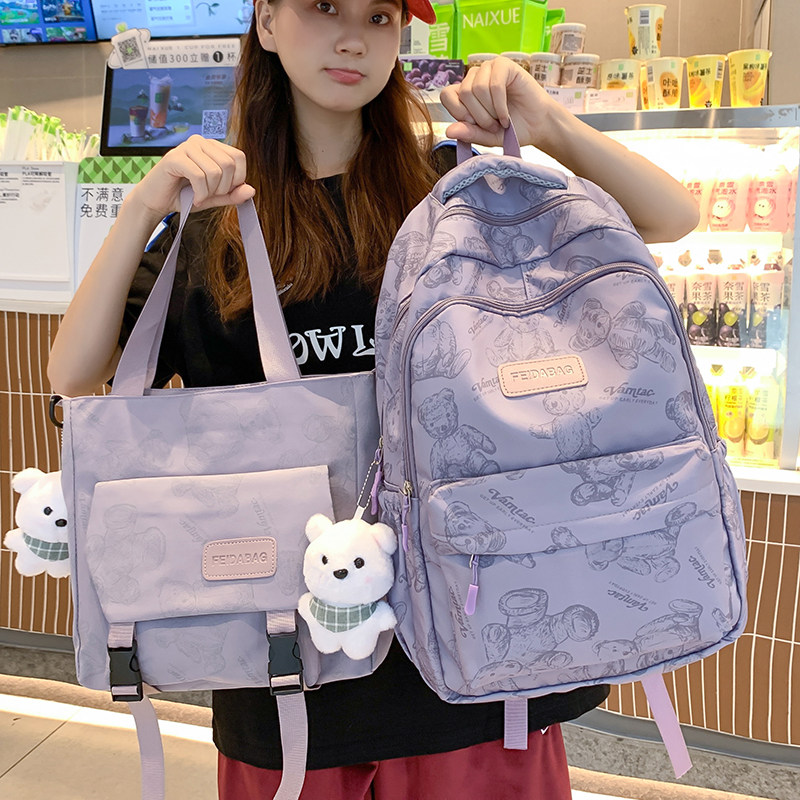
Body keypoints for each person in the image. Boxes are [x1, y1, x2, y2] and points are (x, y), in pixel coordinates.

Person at [48, 0, 699, 797]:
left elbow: (672, 217)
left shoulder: (452, 191)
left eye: (381, 15)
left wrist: (548, 122)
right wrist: (143, 206)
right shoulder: (216, 227)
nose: (354, 37)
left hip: (475, 662)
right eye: (324, 7)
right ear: (265, 22)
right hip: (283, 672)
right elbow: (74, 375)